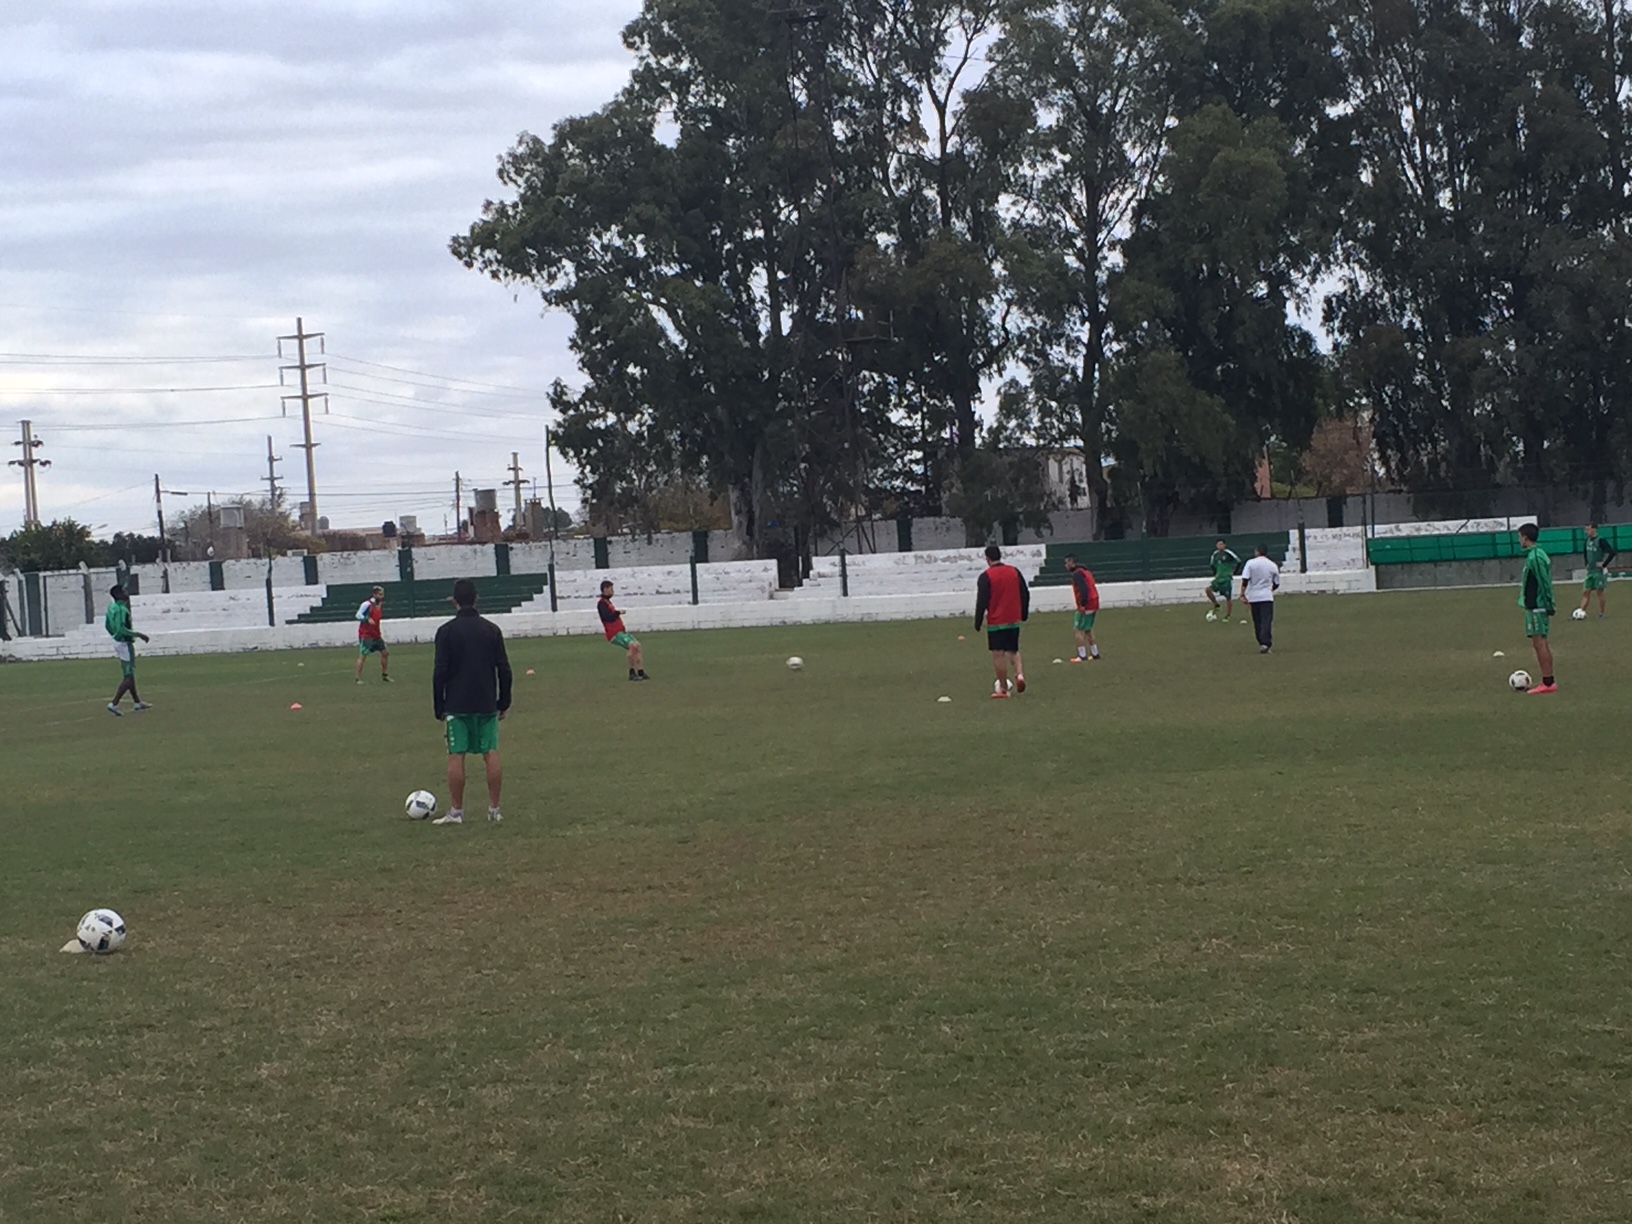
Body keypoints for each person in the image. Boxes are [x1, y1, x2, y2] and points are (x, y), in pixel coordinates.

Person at [430, 578, 513, 824]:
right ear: (476, 598)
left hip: (457, 703)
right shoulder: (491, 629)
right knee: (491, 752)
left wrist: (439, 705)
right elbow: (504, 669)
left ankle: (456, 811)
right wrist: (503, 701)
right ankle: (494, 809)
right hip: (486, 701)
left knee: (456, 754)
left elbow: (440, 671)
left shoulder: (446, 631)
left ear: (454, 601)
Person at [974, 544, 1030, 698]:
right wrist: (1023, 613)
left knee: (998, 654)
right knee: (1013, 650)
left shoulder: (986, 576)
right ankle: (1019, 675)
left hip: (996, 621)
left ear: (987, 558)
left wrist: (978, 621)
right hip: (1013, 618)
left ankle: (1004, 689)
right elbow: (1024, 593)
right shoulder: (1014, 571)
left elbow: (982, 601)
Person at [1518, 523, 1556, 693]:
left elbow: (1544, 582)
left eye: (1520, 536)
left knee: (1540, 643)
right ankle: (1547, 681)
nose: (1519, 540)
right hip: (1534, 606)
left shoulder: (1535, 557)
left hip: (1537, 607)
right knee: (1539, 643)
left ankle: (1548, 683)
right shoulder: (1535, 555)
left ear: (1525, 537)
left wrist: (1549, 604)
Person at [104, 584, 151, 715]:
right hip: (124, 643)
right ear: (119, 594)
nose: (126, 593)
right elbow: (121, 629)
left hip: (118, 642)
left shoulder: (111, 608)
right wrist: (138, 634)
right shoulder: (121, 609)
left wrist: (114, 636)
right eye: (124, 591)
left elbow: (107, 625)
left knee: (129, 673)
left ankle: (137, 702)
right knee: (128, 676)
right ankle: (114, 703)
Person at [597, 580, 648, 681]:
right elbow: (607, 617)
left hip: (620, 631)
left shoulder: (607, 602)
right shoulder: (602, 603)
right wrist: (617, 613)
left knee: (637, 645)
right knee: (632, 646)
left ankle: (641, 672)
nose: (613, 591)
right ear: (605, 589)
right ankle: (632, 673)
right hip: (614, 633)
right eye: (611, 589)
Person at [1240, 544, 1280, 654]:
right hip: (1266, 596)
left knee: (1257, 621)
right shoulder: (1272, 565)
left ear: (1257, 552)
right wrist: (1269, 590)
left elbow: (1245, 580)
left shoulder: (1250, 563)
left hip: (1254, 596)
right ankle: (1265, 642)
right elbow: (1276, 583)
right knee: (1266, 620)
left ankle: (1261, 642)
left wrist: (1242, 594)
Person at [1064, 555, 1100, 662]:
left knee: (1078, 629)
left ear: (1072, 563)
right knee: (1088, 629)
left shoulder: (1077, 574)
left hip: (1086, 604)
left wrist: (1082, 604)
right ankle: (1095, 653)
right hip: (1094, 602)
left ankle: (1082, 655)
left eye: (1066, 563)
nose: (1065, 566)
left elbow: (1083, 589)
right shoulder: (1086, 571)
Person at [1578, 523, 1617, 619]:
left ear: (1594, 529)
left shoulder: (1601, 540)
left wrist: (1604, 564)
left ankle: (1601, 613)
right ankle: (1581, 612)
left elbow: (1612, 552)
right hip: (1590, 571)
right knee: (1586, 591)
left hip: (1598, 572)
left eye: (1588, 529)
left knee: (1599, 592)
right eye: (1585, 530)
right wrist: (1586, 563)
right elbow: (1585, 553)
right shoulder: (1586, 541)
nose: (1586, 532)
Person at [354, 586, 391, 683]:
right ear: (374, 594)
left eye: (382, 594)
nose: (382, 596)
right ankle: (357, 678)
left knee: (385, 653)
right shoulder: (367, 604)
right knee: (363, 656)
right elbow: (358, 615)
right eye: (380, 594)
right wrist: (367, 619)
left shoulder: (379, 605)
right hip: (366, 635)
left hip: (376, 634)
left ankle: (385, 675)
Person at [1204, 539, 1241, 620]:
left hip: (1226, 578)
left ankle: (1227, 615)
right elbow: (1212, 564)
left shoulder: (1228, 553)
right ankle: (1216, 605)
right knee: (1208, 590)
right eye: (1218, 544)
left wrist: (1234, 572)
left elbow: (1239, 561)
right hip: (1219, 578)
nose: (1220, 546)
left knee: (1228, 598)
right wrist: (1216, 574)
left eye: (1221, 544)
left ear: (1224, 545)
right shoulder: (1215, 554)